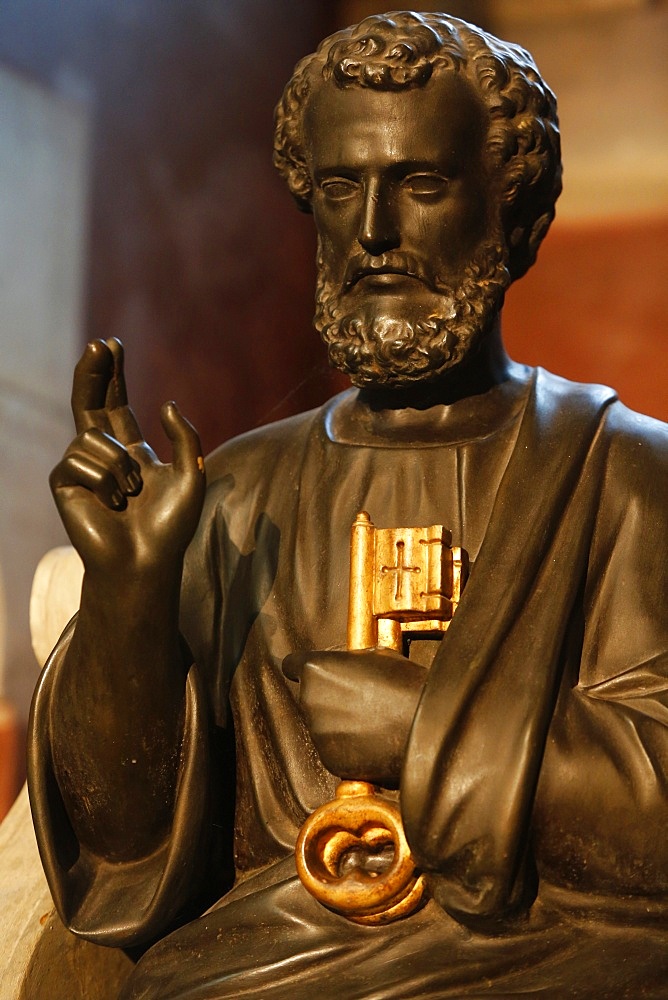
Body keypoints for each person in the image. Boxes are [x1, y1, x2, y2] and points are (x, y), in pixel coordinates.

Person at [29, 11, 667, 999]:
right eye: (339, 188)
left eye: (418, 184)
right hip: (250, 970)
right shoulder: (230, 495)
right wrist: (126, 603)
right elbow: (124, 853)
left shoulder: (625, 478)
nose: (371, 231)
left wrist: (423, 730)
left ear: (510, 208)